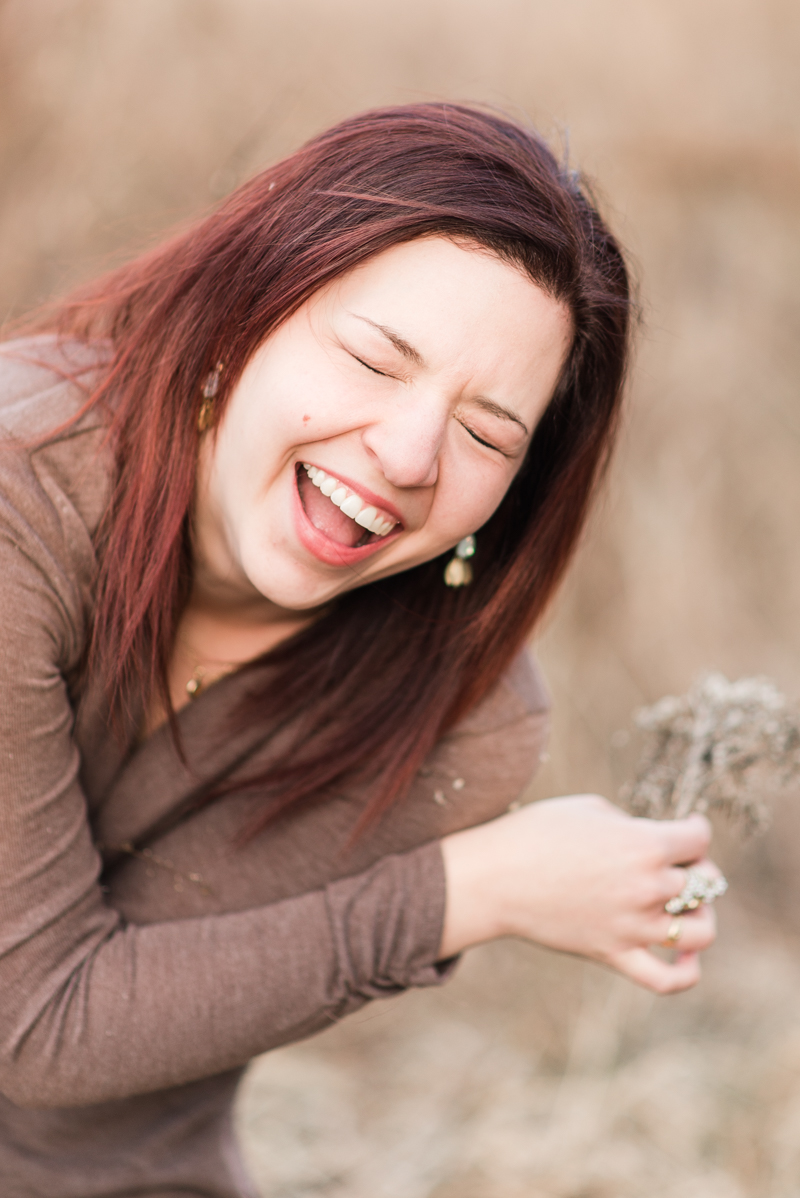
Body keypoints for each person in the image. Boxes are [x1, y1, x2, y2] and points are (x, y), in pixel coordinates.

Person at [0, 103, 718, 1197]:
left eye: (486, 433)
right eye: (374, 359)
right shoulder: (22, 489)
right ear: (242, 318)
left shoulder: (462, 726)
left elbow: (97, 1085)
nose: (407, 454)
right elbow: (42, 1027)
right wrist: (470, 891)